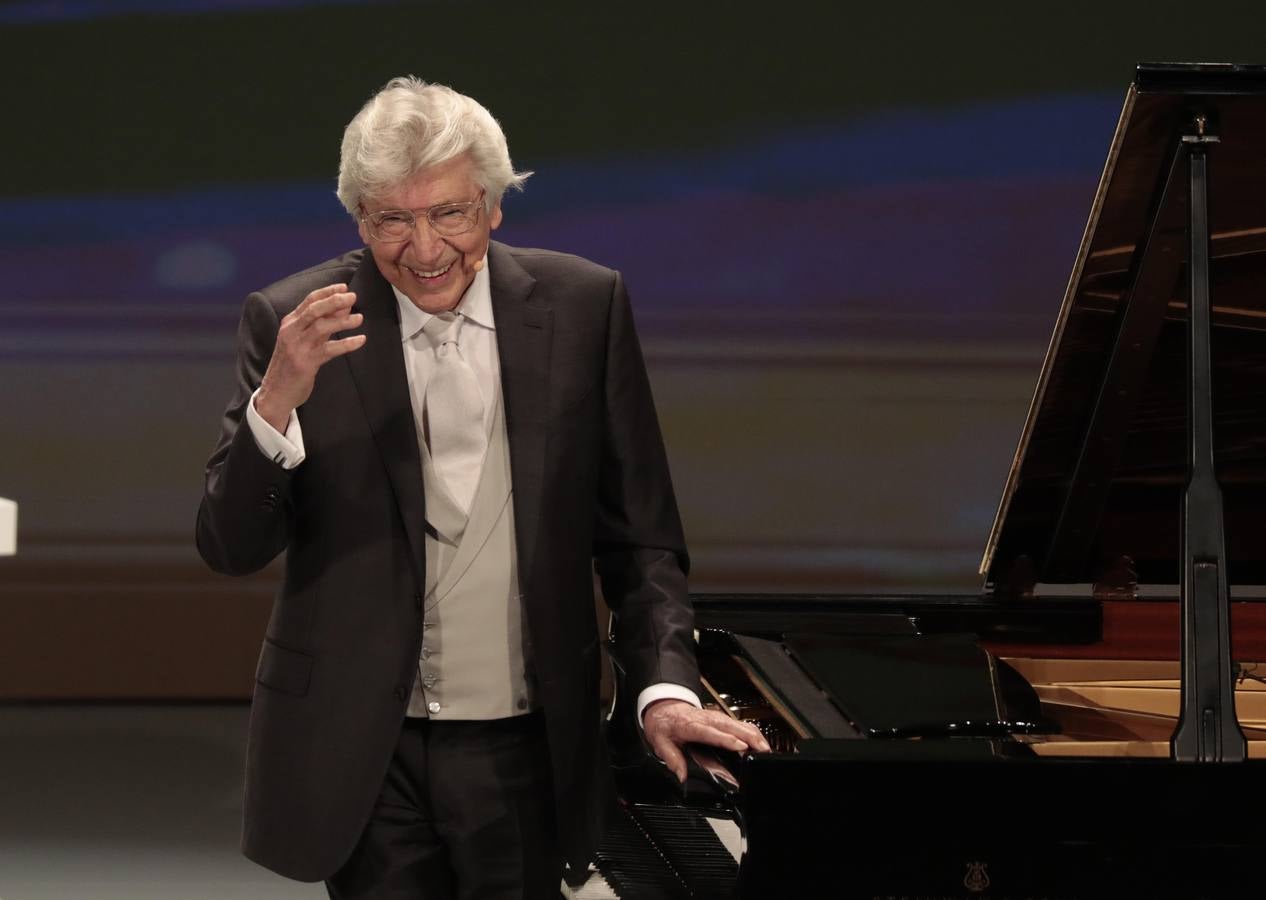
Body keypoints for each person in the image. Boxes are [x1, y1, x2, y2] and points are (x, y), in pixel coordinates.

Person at [196, 76, 768, 899]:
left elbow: (640, 537)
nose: (424, 250)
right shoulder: (294, 321)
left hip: (530, 746)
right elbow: (230, 546)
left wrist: (661, 686)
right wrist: (277, 398)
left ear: (495, 206)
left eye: (449, 214)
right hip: (365, 750)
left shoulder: (583, 307)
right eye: (394, 219)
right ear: (360, 219)